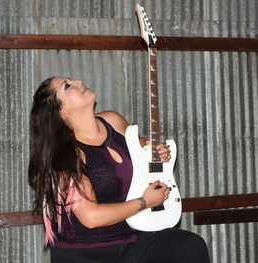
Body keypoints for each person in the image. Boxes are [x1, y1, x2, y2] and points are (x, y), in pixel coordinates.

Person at [28, 77, 210, 263]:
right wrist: (145, 202)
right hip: (85, 253)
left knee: (189, 245)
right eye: (68, 86)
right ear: (61, 109)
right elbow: (91, 217)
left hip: (133, 239)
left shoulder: (112, 121)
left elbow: (143, 147)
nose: (79, 82)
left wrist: (158, 151)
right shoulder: (64, 155)